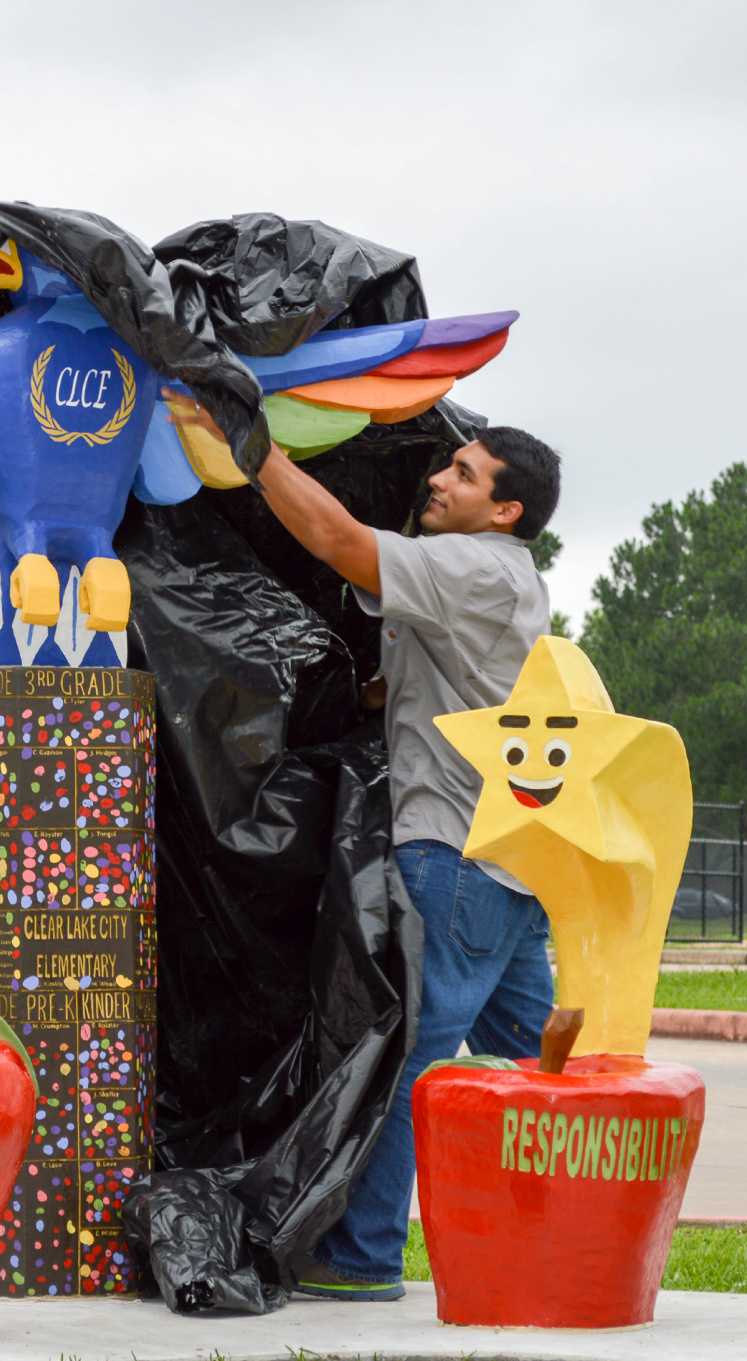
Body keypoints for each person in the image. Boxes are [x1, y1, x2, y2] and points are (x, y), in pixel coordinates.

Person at [244, 421, 564, 1300]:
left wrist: (254, 449)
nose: (438, 480)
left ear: (505, 511)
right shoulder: (499, 579)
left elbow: (339, 540)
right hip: (510, 871)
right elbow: (404, 684)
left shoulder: (474, 568)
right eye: (446, 465)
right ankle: (556, 1241)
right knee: (538, 1072)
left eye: (463, 474)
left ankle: (363, 1254)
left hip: (455, 856)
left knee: (408, 1058)